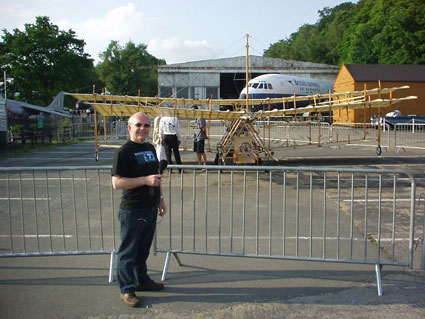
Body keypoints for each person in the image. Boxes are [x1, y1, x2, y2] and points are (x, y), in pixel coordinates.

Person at [111, 112, 167, 307]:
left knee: (143, 250)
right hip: (133, 210)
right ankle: (127, 290)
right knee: (128, 252)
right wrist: (144, 181)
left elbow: (156, 176)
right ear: (129, 127)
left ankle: (142, 280)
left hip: (150, 208)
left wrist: (161, 199)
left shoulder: (150, 148)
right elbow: (116, 183)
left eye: (146, 125)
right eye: (138, 125)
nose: (142, 128)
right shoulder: (124, 152)